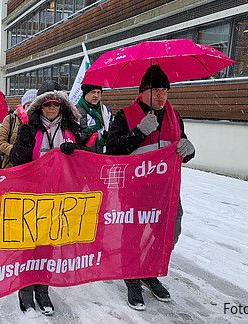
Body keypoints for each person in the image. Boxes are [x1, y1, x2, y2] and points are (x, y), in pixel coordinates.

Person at [105, 65, 195, 311]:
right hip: (135, 191)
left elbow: (180, 147)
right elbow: (111, 150)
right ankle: (132, 278)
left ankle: (149, 271)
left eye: (165, 90)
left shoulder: (175, 116)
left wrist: (189, 150)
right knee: (133, 235)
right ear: (143, 91)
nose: (161, 95)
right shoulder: (125, 115)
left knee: (168, 232)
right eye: (156, 90)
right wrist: (139, 132)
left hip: (165, 191)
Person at [9, 80, 82, 316]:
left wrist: (74, 151)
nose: (51, 109)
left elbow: (84, 160)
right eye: (47, 104)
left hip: (59, 196)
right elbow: (18, 160)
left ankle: (43, 289)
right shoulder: (29, 128)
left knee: (47, 244)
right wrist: (25, 137)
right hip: (31, 196)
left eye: (56, 104)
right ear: (40, 106)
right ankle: (25, 289)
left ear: (62, 106)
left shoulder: (71, 130)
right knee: (28, 244)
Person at [0, 89, 37, 168]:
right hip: (11, 167)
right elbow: (0, 142)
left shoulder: (40, 122)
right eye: (28, 105)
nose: (30, 109)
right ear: (23, 106)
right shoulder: (11, 119)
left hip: (33, 169)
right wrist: (16, 151)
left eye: (33, 105)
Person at [77, 83, 112, 153]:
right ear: (85, 93)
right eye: (92, 92)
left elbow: (112, 130)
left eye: (98, 92)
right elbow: (75, 137)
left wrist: (108, 135)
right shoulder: (76, 111)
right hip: (84, 155)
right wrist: (89, 132)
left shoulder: (105, 110)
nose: (96, 96)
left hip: (103, 153)